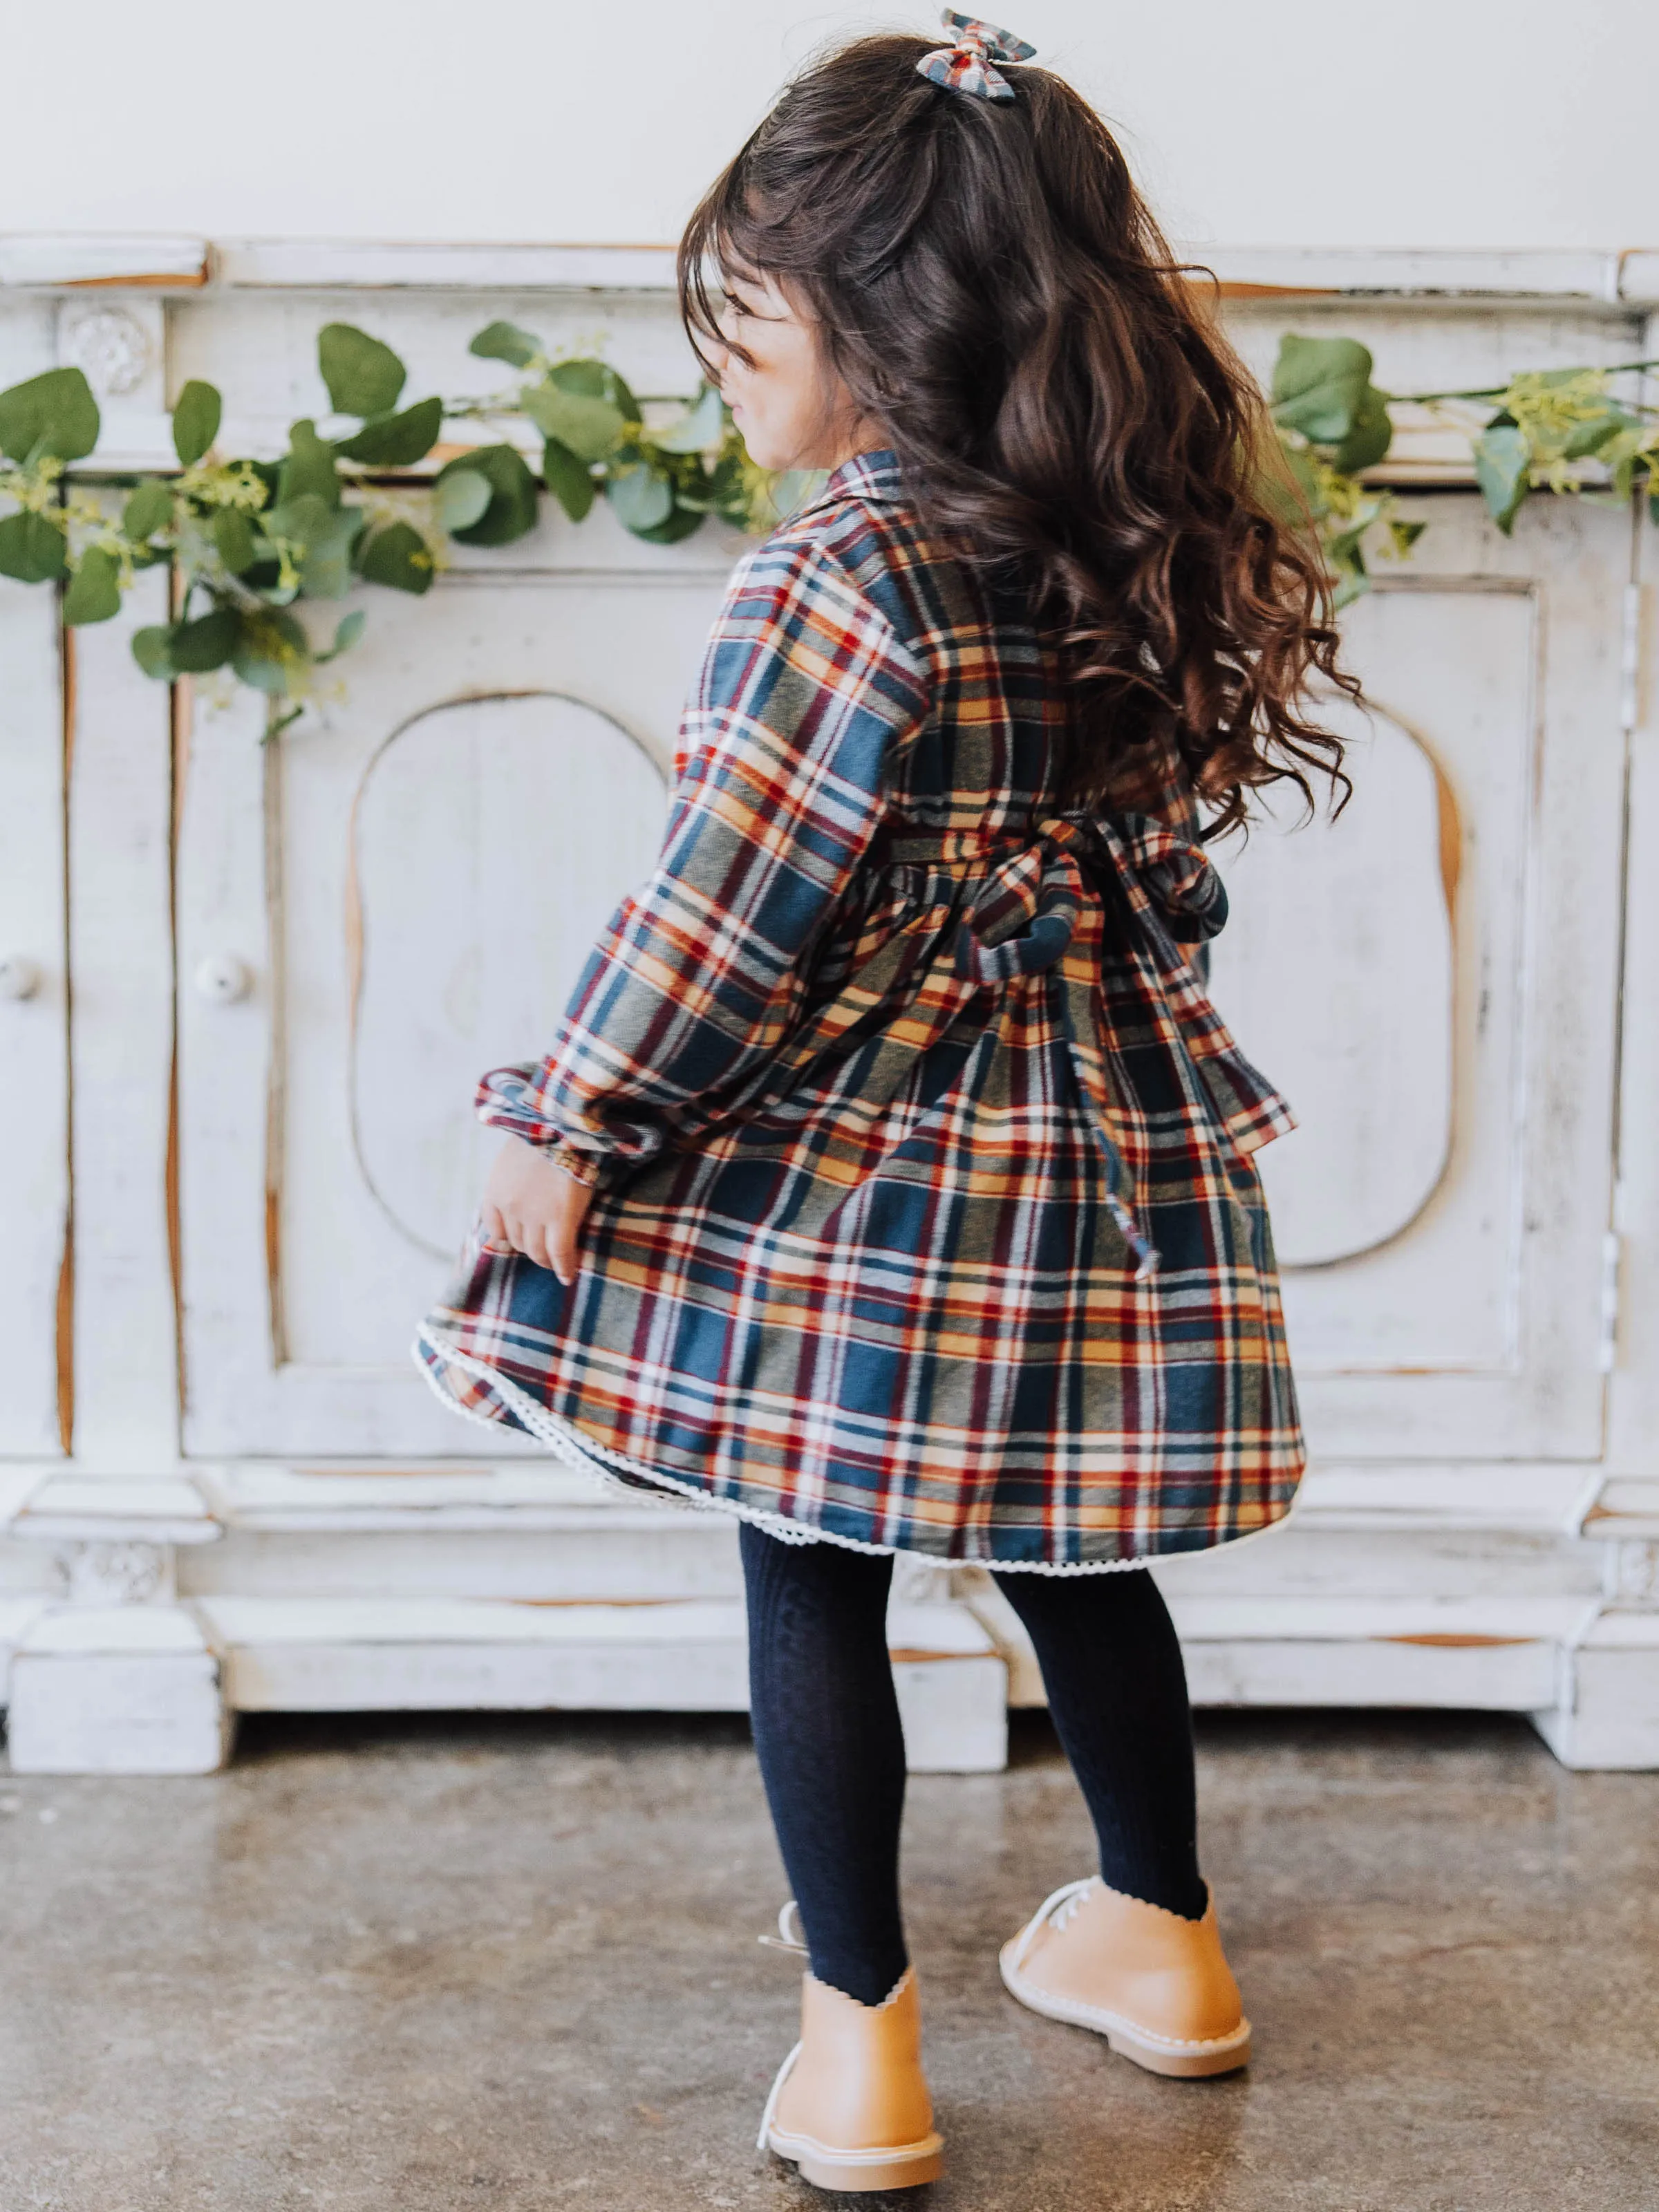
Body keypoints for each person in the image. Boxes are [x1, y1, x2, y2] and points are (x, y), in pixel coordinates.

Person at [418, 10, 1351, 2193]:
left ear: (877, 319)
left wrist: (559, 1110)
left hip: (875, 1166)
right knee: (1075, 1542)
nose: (726, 374)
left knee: (812, 1556)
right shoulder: (1087, 546)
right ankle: (1163, 1940)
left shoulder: (840, 572)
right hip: (1091, 1157)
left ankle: (861, 2053)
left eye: (748, 329)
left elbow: (717, 908)